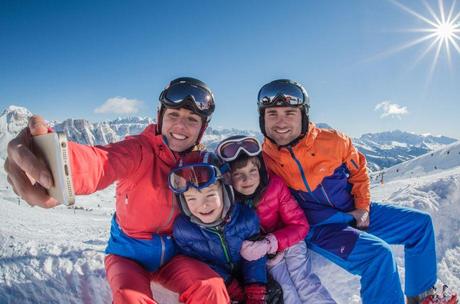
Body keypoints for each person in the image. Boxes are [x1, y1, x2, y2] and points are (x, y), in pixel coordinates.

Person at [4, 77, 230, 304]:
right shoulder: (138, 150)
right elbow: (101, 161)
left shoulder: (201, 165)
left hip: (176, 256)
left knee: (211, 286)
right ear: (160, 117)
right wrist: (53, 158)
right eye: (173, 115)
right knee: (129, 298)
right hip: (127, 256)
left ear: (203, 129)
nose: (181, 126)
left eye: (192, 119)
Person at [256, 79, 458, 304]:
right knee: (378, 256)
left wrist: (362, 206)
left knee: (419, 225)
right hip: (321, 228)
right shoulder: (263, 162)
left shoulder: (334, 142)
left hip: (352, 211)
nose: (280, 122)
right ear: (262, 119)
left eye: (289, 113)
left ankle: (422, 297)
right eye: (272, 113)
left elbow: (358, 170)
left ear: (303, 115)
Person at [216, 135, 337, 304]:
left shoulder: (274, 187)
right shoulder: (227, 205)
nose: (248, 179)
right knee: (287, 290)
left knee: (304, 281)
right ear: (228, 178)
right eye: (238, 174)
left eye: (253, 171)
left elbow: (300, 225)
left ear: (261, 171)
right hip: (265, 255)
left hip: (288, 241)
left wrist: (270, 242)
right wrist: (260, 249)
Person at [170, 151, 282, 304]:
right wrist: (229, 283)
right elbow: (198, 264)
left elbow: (254, 256)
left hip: (247, 274)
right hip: (221, 281)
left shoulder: (246, 218)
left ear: (225, 191)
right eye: (191, 199)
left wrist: (255, 286)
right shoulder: (184, 231)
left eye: (210, 195)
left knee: (273, 293)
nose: (203, 205)